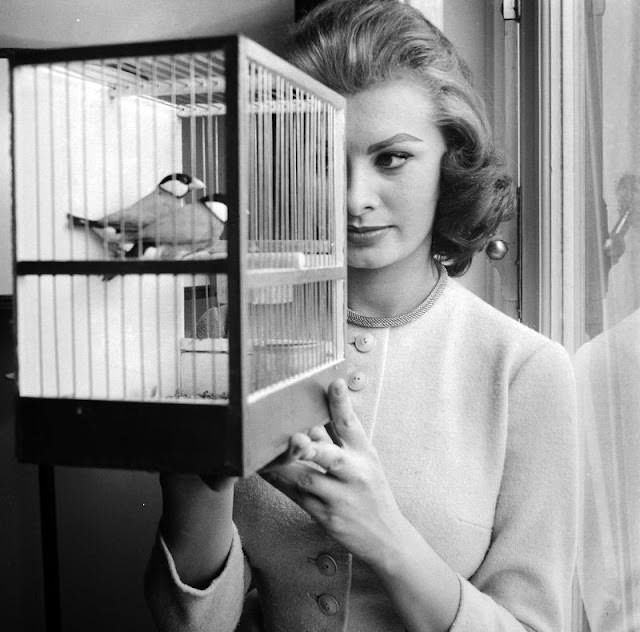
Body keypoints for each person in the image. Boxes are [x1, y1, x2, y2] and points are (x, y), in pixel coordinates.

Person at [144, 1, 579, 630]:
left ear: (449, 160)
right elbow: (189, 623)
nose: (354, 199)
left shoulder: (526, 371)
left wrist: (386, 537)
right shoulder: (226, 338)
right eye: (323, 158)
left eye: (392, 158)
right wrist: (194, 493)